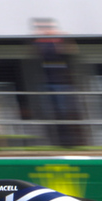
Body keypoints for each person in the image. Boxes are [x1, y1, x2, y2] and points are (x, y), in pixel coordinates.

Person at [31, 18, 82, 148]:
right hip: (47, 83)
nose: (45, 30)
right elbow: (36, 53)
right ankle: (55, 143)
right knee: (50, 113)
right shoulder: (39, 42)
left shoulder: (60, 40)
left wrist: (63, 38)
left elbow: (72, 51)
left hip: (62, 83)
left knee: (66, 113)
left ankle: (70, 143)